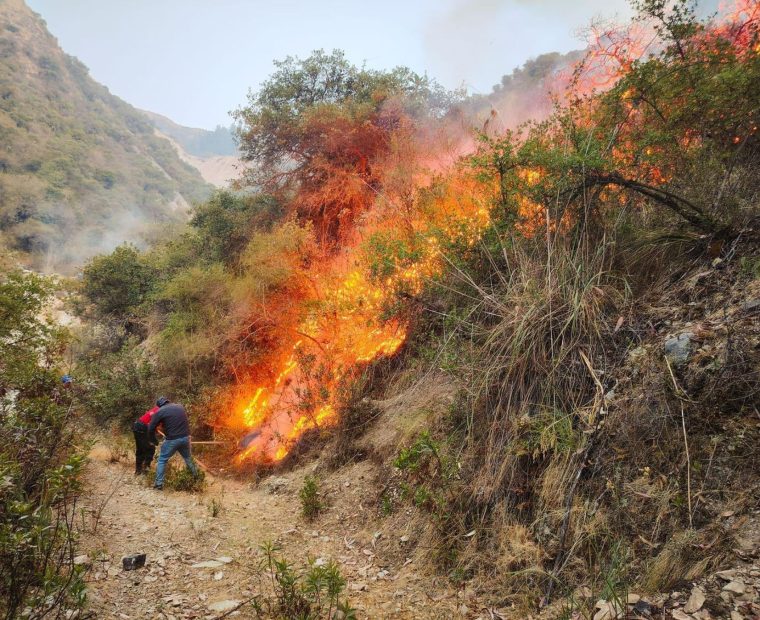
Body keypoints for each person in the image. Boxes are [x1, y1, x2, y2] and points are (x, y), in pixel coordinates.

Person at [148, 398, 198, 490]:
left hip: (172, 440)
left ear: (159, 405)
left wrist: (154, 441)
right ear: (167, 401)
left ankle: (159, 484)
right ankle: (197, 479)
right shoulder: (180, 407)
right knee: (188, 458)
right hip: (185, 437)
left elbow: (150, 428)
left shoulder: (160, 411)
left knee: (162, 459)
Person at [133, 398, 164, 475]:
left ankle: (138, 471)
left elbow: (152, 423)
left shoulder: (156, 409)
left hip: (137, 425)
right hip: (143, 428)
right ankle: (145, 471)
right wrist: (155, 440)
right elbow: (152, 425)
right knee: (150, 448)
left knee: (140, 449)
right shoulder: (160, 411)